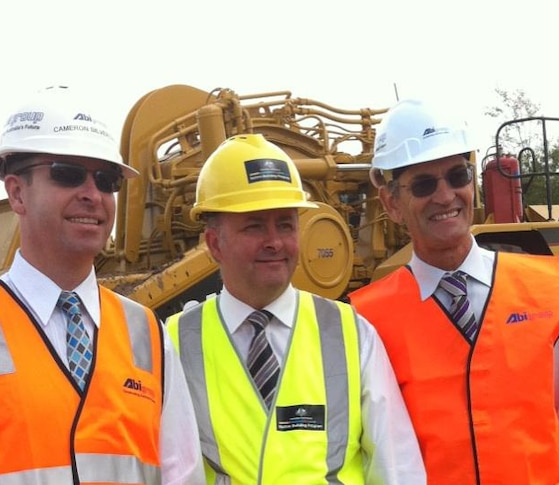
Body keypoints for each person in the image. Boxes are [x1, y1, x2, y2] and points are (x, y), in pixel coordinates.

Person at [0, 86, 205, 485]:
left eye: (106, 179)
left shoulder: (149, 336)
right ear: (16, 193)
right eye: (68, 174)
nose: (92, 194)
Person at [164, 133, 426, 484]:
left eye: (285, 224)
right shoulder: (174, 343)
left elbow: (398, 469)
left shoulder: (351, 333)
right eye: (254, 226)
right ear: (214, 243)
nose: (274, 242)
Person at [349, 98, 559, 484]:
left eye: (458, 176)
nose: (445, 196)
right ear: (391, 202)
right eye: (424, 184)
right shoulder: (365, 319)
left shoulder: (544, 290)